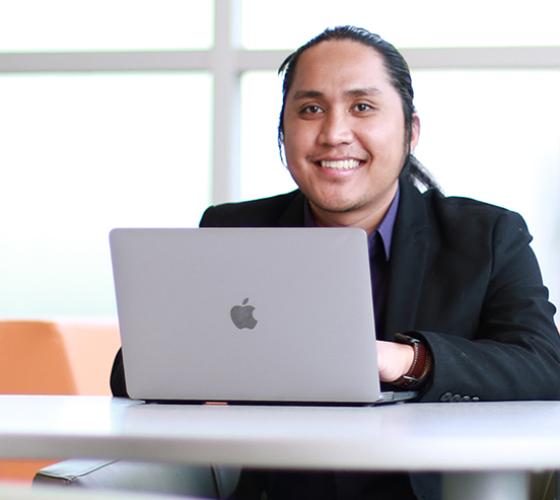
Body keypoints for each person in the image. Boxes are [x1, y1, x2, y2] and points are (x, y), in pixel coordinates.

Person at [111, 26, 560, 500]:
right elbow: (133, 373)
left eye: (362, 107)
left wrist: (407, 360)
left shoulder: (484, 236)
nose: (334, 134)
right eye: (310, 110)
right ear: (283, 132)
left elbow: (546, 365)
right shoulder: (235, 228)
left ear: (411, 130)